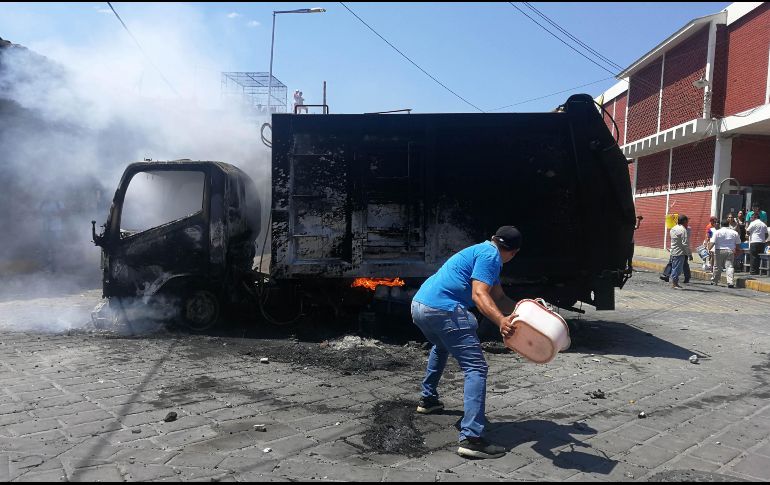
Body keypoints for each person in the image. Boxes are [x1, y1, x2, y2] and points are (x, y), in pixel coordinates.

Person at [411, 226, 522, 459]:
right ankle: (472, 438)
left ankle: (428, 400)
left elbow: (499, 297)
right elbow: (479, 294)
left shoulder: (482, 251)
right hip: (443, 310)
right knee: (476, 368)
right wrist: (501, 321)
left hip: (420, 306)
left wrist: (526, 313)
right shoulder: (491, 256)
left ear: (494, 238)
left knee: (442, 346)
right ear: (514, 253)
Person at [709, 219, 741, 288]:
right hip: (730, 250)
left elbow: (712, 242)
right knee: (729, 266)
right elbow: (738, 244)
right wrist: (737, 250)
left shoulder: (717, 232)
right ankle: (730, 282)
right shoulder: (734, 232)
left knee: (717, 266)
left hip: (719, 250)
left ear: (721, 225)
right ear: (728, 224)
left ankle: (715, 281)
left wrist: (709, 249)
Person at [669, 215, 691, 289]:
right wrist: (689, 254)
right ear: (684, 221)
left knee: (674, 267)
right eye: (687, 221)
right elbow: (685, 244)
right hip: (680, 252)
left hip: (674, 251)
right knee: (677, 269)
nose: (688, 223)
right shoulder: (683, 230)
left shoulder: (673, 228)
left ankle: (675, 283)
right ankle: (675, 284)